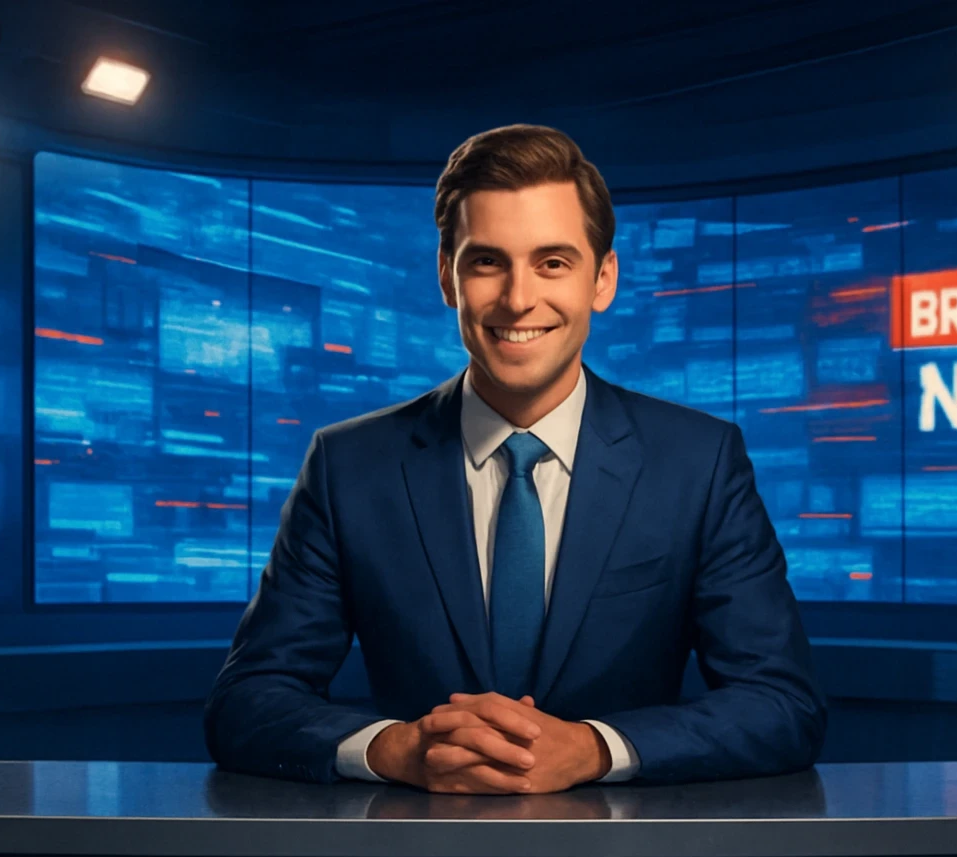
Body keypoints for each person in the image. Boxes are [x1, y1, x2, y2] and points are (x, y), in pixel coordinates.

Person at [204, 124, 826, 793]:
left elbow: (781, 703)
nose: (518, 299)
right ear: (447, 276)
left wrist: (595, 748)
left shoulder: (699, 462)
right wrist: (397, 750)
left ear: (603, 278)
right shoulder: (348, 466)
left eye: (552, 263)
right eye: (487, 262)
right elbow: (248, 700)